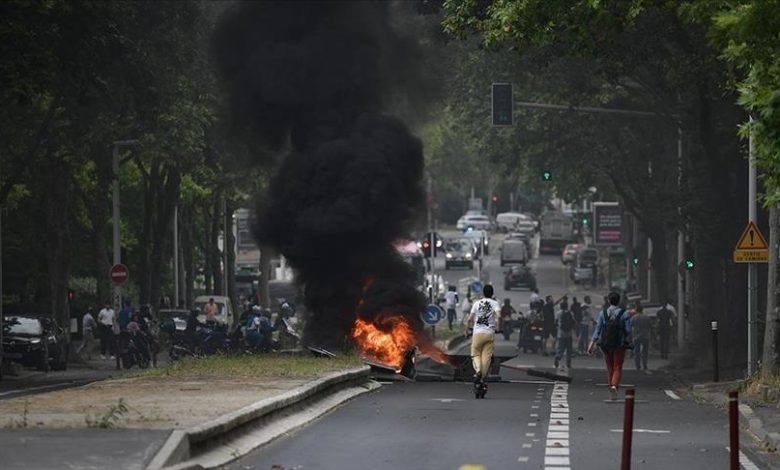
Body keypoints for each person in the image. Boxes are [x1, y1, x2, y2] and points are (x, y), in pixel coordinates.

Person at [589, 292, 633, 400]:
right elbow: (628, 330)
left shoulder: (603, 313)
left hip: (605, 345)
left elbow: (598, 329)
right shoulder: (624, 313)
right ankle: (614, 386)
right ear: (619, 301)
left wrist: (591, 344)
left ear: (609, 300)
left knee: (609, 367)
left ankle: (611, 388)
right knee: (617, 367)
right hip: (619, 344)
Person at [465, 284, 500, 393]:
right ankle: (483, 376)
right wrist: (498, 327)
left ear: (483, 293)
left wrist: (466, 330)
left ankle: (478, 372)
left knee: (475, 355)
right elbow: (499, 316)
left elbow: (469, 319)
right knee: (487, 358)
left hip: (477, 333)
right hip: (489, 333)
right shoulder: (495, 303)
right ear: (492, 293)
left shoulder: (476, 303)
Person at [554, 302, 575, 369]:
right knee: (569, 349)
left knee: (560, 348)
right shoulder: (570, 313)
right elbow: (573, 322)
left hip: (561, 333)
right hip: (569, 333)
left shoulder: (558, 313)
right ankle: (568, 363)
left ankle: (558, 357)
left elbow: (556, 322)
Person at [631, 304, 651, 371]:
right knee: (645, 352)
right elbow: (650, 326)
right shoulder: (646, 317)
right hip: (645, 336)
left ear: (636, 310)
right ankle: (645, 364)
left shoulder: (633, 318)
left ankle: (638, 366)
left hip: (636, 336)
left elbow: (631, 326)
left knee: (637, 352)